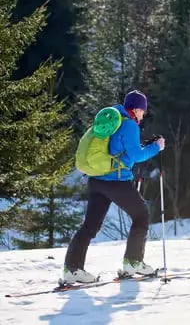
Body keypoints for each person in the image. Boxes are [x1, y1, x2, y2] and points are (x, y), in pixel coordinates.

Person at [63, 90, 165, 283]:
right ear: (136, 109)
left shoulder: (111, 121)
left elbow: (119, 150)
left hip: (96, 181)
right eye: (143, 110)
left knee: (90, 226)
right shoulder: (129, 125)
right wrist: (156, 147)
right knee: (141, 215)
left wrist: (143, 146)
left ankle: (72, 268)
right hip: (116, 182)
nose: (143, 114)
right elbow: (136, 156)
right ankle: (133, 262)